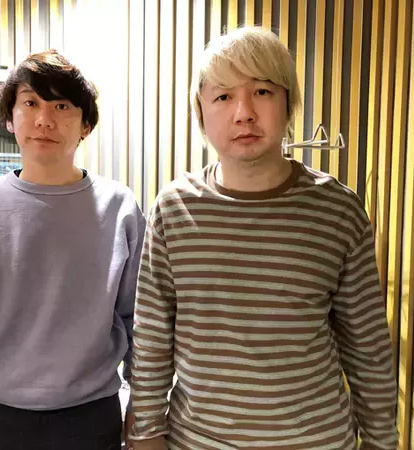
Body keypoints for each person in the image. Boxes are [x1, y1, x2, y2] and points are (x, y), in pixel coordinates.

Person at [127, 27, 398, 449]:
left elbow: (368, 346)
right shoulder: (174, 209)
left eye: (263, 92)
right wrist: (145, 433)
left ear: (289, 104)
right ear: (201, 112)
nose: (244, 113)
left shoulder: (338, 211)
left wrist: (382, 441)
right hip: (197, 441)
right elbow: (151, 338)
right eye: (223, 96)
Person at [0, 49, 145, 450]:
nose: (44, 119)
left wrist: (142, 409)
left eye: (62, 105)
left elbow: (138, 321)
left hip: (91, 415)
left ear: (86, 125)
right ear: (10, 118)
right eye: (31, 103)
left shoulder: (120, 208)